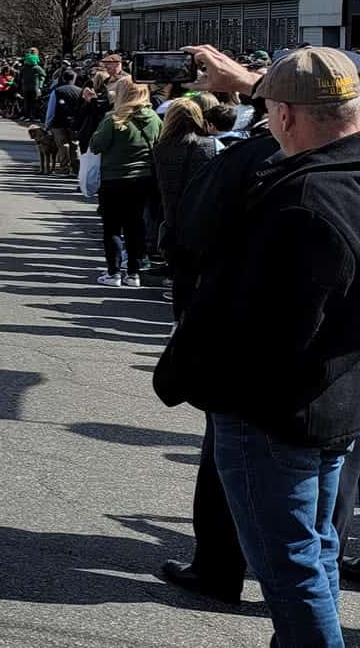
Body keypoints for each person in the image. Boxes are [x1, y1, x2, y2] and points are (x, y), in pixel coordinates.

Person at [156, 47, 360, 647]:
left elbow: (264, 330)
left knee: (291, 567)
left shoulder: (304, 201)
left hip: (277, 412)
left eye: (270, 112)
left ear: (288, 118)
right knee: (315, 550)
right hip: (333, 403)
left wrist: (192, 375)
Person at [150, 97, 218, 321]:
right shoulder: (212, 146)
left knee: (181, 277)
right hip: (205, 217)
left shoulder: (160, 148)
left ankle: (179, 321)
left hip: (173, 217)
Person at [88, 81, 160, 287]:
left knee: (112, 226)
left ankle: (113, 272)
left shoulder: (113, 118)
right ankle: (133, 273)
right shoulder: (154, 118)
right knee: (135, 225)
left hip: (114, 177)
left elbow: (96, 145)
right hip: (143, 178)